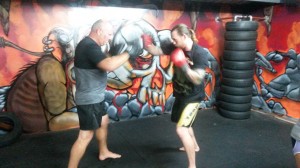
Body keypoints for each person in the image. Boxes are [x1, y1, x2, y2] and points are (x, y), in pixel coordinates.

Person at [68, 19, 141, 168]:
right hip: (90, 100)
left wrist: (113, 52)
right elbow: (109, 65)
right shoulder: (89, 46)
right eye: (108, 34)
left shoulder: (89, 45)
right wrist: (128, 53)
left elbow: (102, 60)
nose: (109, 37)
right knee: (85, 135)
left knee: (104, 121)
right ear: (98, 31)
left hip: (96, 97)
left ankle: (103, 151)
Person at [143, 23, 209, 168]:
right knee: (185, 123)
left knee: (181, 129)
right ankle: (195, 146)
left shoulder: (199, 53)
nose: (172, 42)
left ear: (184, 36)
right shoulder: (175, 46)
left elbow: (198, 78)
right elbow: (156, 50)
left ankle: (192, 165)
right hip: (181, 94)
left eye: (175, 39)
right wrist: (146, 43)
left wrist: (183, 64)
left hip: (193, 97)